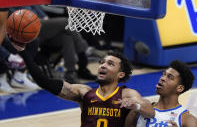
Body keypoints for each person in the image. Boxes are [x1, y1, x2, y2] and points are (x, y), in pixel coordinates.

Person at [13, 40, 155, 126]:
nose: (103, 66)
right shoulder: (84, 92)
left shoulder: (126, 94)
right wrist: (23, 52)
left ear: (121, 74)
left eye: (110, 64)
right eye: (102, 62)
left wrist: (135, 105)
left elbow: (150, 112)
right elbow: (44, 82)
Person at [125, 60, 197, 127]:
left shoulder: (187, 119)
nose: (162, 78)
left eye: (170, 77)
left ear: (179, 88)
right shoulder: (140, 108)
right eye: (163, 74)